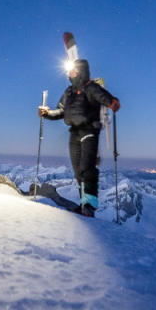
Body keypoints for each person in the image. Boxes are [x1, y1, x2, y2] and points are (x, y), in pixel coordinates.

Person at [38, 59, 120, 217]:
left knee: (87, 168)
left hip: (90, 130)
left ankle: (89, 205)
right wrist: (47, 113)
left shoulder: (91, 88)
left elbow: (103, 97)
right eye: (69, 71)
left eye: (73, 70)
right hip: (74, 132)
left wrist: (111, 102)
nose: (69, 73)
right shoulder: (68, 92)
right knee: (77, 171)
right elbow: (60, 112)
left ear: (81, 71)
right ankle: (84, 202)